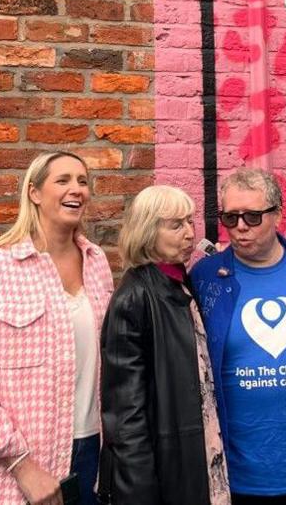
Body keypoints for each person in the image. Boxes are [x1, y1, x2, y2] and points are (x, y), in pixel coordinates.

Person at [0, 151, 114, 505]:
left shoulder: (97, 263)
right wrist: (23, 466)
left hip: (92, 453)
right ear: (35, 193)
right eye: (63, 180)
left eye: (83, 181)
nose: (77, 189)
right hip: (17, 467)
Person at [190, 168, 286, 505]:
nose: (240, 227)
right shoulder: (206, 276)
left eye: (253, 217)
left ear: (278, 214)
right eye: (230, 217)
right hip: (235, 473)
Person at [97, 185, 230, 505]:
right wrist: (139, 491)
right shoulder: (134, 297)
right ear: (147, 232)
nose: (189, 233)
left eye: (189, 222)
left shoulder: (180, 282)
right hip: (165, 472)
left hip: (198, 457)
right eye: (175, 225)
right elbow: (125, 415)